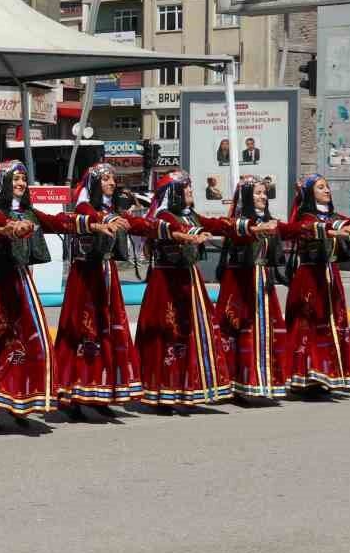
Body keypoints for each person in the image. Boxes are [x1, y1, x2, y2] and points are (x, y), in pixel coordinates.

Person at [0, 160, 76, 425]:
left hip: (22, 283)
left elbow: (56, 222)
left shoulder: (29, 212)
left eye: (23, 179)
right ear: (3, 183)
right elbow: (1, 225)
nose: (20, 183)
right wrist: (14, 229)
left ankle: (20, 401)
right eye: (15, 179)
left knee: (30, 342)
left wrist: (86, 222)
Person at [130, 170, 234, 409]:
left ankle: (190, 387)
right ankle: (161, 391)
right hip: (167, 283)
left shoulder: (191, 216)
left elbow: (212, 224)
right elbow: (170, 228)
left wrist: (238, 225)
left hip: (190, 280)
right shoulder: (165, 216)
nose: (189, 190)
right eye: (184, 187)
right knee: (167, 333)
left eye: (189, 186)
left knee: (194, 333)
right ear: (173, 193)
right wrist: (192, 234)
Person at [52, 164, 142, 415]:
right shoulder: (84, 208)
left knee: (108, 333)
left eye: (113, 178)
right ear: (94, 184)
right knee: (82, 332)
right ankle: (73, 393)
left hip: (106, 275)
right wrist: (108, 220)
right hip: (85, 278)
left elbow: (130, 223)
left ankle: (102, 393)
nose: (112, 183)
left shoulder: (111, 209)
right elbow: (90, 218)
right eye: (105, 179)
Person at [277, 175, 350, 394]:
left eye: (327, 187)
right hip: (309, 277)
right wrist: (332, 229)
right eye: (321, 187)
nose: (327, 190)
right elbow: (307, 227)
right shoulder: (306, 217)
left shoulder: (333, 216)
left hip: (330, 275)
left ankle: (327, 374)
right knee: (309, 324)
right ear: (309, 193)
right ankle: (305, 376)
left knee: (333, 323)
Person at [213, 177, 287, 402]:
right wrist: (253, 228)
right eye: (257, 193)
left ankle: (261, 380)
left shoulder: (270, 221)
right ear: (246, 196)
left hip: (263, 283)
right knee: (237, 331)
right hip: (240, 284)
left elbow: (291, 229)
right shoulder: (238, 223)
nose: (263, 196)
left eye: (264, 193)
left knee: (266, 331)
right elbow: (234, 232)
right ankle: (236, 382)